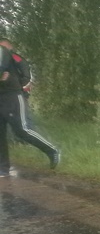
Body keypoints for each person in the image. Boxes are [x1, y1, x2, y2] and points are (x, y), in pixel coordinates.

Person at [0, 39, 60, 178]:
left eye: (4, 46)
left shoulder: (12, 56)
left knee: (22, 130)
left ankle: (52, 150)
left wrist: (18, 87)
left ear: (8, 47)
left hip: (12, 96)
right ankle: (3, 168)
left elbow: (27, 75)